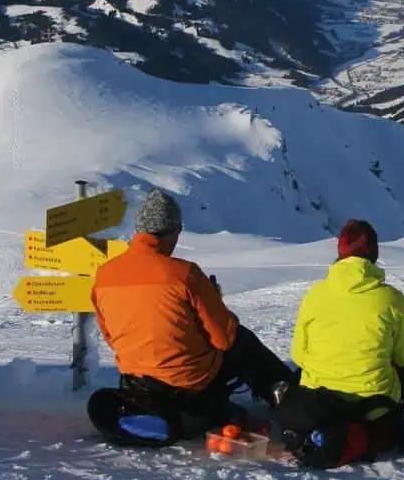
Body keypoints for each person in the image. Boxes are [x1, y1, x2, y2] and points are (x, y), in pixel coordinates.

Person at [86, 188, 293, 446]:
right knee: (241, 339)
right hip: (189, 381)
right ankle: (287, 397)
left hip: (137, 381)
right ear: (171, 231)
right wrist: (215, 303)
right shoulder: (185, 274)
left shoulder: (104, 276)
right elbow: (223, 339)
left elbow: (111, 337)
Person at [276, 219, 404, 468]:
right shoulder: (391, 299)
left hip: (319, 404)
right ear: (374, 254)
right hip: (372, 408)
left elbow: (299, 355)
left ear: (340, 253)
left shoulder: (315, 296)